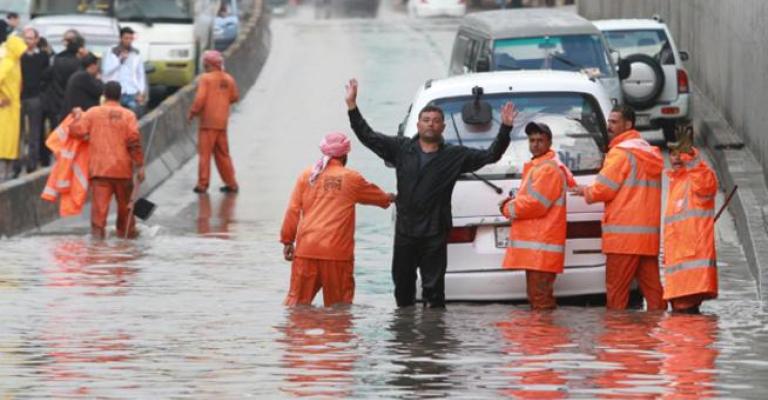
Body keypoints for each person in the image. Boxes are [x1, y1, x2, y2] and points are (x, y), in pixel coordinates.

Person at [345, 78, 516, 308]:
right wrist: (352, 106)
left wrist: (505, 128)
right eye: (426, 120)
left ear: (443, 127)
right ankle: (404, 327)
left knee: (434, 290)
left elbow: (490, 155)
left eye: (436, 121)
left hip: (435, 231)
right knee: (402, 287)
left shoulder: (454, 155)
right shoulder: (401, 148)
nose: (430, 125)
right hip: (405, 230)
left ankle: (433, 328)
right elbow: (368, 136)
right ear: (418, 125)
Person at [280, 132, 393, 307]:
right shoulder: (352, 179)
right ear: (345, 154)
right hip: (337, 253)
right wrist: (392, 198)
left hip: (306, 251)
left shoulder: (307, 176)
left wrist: (287, 241)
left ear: (323, 151)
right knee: (339, 309)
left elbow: (293, 210)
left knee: (296, 307)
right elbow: (380, 198)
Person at [571, 105, 666, 311]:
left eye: (614, 122)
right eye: (609, 121)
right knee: (654, 294)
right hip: (646, 238)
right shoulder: (648, 153)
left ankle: (616, 332)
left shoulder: (620, 153)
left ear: (628, 124)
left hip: (623, 239)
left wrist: (585, 190)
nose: (609, 126)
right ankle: (660, 329)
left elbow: (603, 189)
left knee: (616, 295)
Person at [499, 122, 575, 310]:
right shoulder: (540, 166)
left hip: (541, 246)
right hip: (539, 247)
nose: (535, 144)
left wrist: (508, 208)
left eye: (540, 140)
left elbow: (536, 204)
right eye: (532, 140)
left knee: (540, 299)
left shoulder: (547, 169)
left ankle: (544, 329)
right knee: (539, 298)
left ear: (549, 142)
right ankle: (542, 329)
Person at [69, 81, 145, 239]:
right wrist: (140, 167)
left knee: (99, 217)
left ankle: (97, 247)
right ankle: (126, 245)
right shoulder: (129, 115)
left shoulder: (92, 113)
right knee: (126, 216)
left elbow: (76, 131)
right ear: (120, 95)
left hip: (100, 171)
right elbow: (134, 142)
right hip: (123, 172)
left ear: (104, 95)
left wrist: (77, 115)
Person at [662, 136, 718, 313]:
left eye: (681, 154)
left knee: (685, 320)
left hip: (691, 276)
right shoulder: (677, 182)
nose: (677, 158)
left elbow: (705, 182)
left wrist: (691, 157)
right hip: (680, 275)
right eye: (673, 154)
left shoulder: (696, 179)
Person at [187, 50, 239, 193]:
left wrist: (192, 112)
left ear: (207, 64)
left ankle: (202, 184)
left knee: (205, 155)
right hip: (222, 123)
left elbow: (200, 99)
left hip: (207, 123)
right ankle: (231, 183)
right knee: (223, 154)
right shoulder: (228, 78)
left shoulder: (206, 78)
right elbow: (234, 97)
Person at [13, 27, 50, 175]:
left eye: (30, 38)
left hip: (35, 97)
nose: (27, 41)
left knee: (35, 133)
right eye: (26, 38)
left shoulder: (43, 56)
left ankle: (32, 164)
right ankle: (16, 165)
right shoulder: (18, 56)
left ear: (36, 39)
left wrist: (42, 94)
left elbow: (47, 76)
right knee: (18, 133)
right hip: (19, 97)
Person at [101, 27, 146, 116]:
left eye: (131, 38)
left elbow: (140, 74)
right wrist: (119, 60)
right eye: (126, 38)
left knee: (133, 115)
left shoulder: (136, 53)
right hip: (115, 92)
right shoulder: (112, 51)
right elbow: (106, 71)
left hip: (131, 91)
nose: (128, 41)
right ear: (121, 38)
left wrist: (141, 91)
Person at [43, 30, 84, 125]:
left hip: (57, 103)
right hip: (74, 104)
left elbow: (46, 76)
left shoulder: (57, 60)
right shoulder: (82, 62)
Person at [0, 36, 26, 181]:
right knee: (4, 140)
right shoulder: (7, 63)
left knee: (10, 141)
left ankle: (7, 173)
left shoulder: (14, 63)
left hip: (13, 108)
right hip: (5, 109)